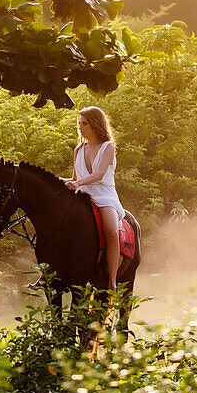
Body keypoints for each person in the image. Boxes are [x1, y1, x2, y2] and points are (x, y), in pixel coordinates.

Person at [63, 106, 125, 291]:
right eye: (79, 124)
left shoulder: (108, 147)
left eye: (84, 124)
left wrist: (78, 183)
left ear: (96, 124)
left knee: (112, 231)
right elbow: (74, 179)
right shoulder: (78, 150)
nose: (80, 127)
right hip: (83, 194)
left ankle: (112, 280)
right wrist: (52, 180)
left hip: (104, 195)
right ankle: (48, 273)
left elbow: (99, 174)